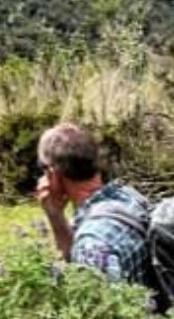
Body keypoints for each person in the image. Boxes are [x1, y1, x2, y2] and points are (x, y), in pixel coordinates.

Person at [35, 121, 152, 284]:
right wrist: (55, 216)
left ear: (52, 174)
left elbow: (94, 306)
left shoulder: (92, 245)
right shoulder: (129, 197)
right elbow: (74, 261)